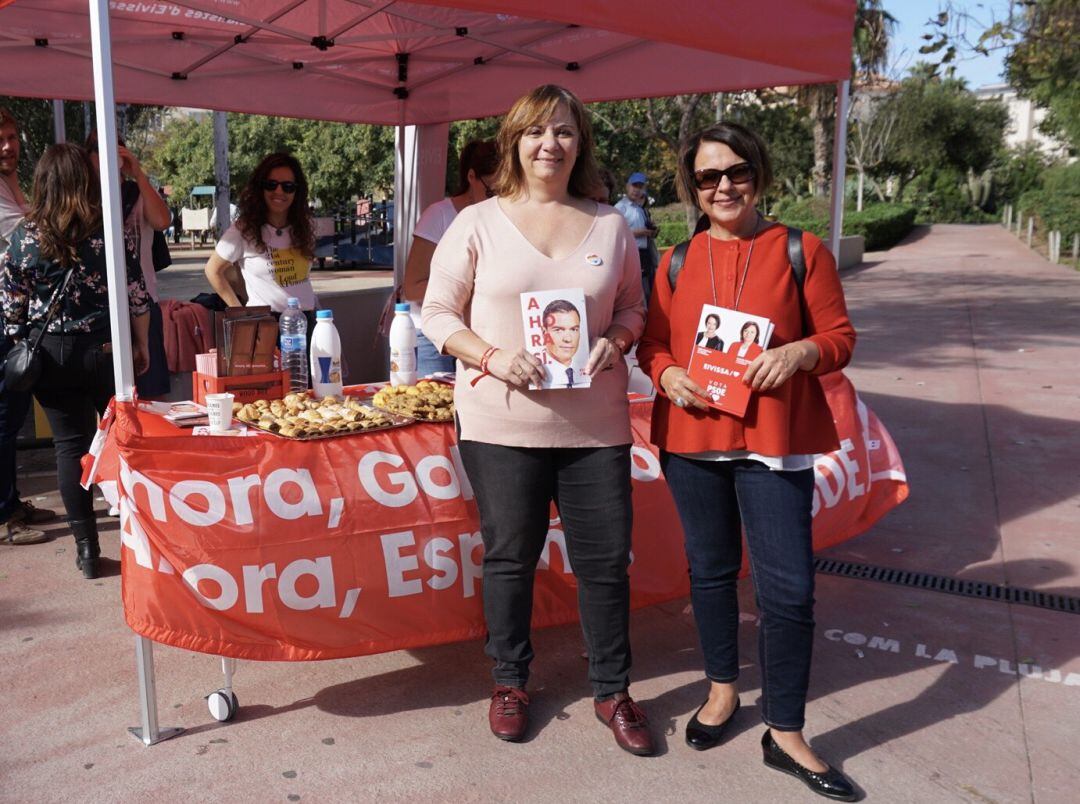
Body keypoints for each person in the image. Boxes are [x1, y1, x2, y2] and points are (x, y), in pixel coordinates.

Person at [422, 84, 650, 755]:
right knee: (510, 558)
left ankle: (613, 690)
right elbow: (437, 315)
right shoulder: (477, 223)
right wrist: (490, 357)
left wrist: (621, 339)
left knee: (606, 563)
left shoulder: (611, 225)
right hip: (501, 427)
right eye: (536, 132)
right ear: (514, 142)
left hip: (595, 428)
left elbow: (636, 309)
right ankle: (510, 682)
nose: (550, 145)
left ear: (581, 144)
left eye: (565, 133)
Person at [637, 122, 857, 800]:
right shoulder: (675, 259)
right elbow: (651, 345)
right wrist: (667, 375)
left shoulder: (800, 250)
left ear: (758, 175)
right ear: (692, 187)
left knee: (788, 589)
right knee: (709, 573)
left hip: (773, 445)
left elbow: (840, 337)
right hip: (694, 444)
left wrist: (800, 353)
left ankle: (785, 730)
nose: (724, 186)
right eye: (708, 177)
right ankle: (723, 692)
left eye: (736, 172)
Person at [1, 143, 151, 579]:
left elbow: (11, 310)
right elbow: (137, 296)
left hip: (51, 357)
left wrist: (24, 338)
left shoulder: (24, 239)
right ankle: (139, 537)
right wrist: (140, 345)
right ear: (84, 182)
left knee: (70, 448)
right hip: (105, 350)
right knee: (123, 442)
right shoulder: (105, 232)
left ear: (41, 184)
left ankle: (87, 550)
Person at [0, 106, 58, 545]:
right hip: (2, 314)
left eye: (13, 136)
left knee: (12, 412)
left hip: (13, 316)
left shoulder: (10, 182)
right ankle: (3, 516)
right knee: (3, 416)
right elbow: (28, 238)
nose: (8, 146)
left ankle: (10, 501)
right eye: (0, 139)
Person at [86, 131, 172, 398]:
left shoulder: (136, 191)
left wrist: (138, 174)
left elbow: (162, 221)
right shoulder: (83, 197)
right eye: (100, 149)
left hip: (144, 302)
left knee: (149, 394)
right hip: (100, 311)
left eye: (116, 149)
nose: (109, 156)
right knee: (109, 397)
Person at [402, 140, 497, 376]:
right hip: (430, 335)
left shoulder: (501, 217)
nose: (498, 200)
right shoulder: (439, 215)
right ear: (471, 177)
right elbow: (412, 288)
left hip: (478, 336)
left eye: (509, 192)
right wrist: (470, 292)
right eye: (492, 191)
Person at [204, 152, 317, 316]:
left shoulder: (303, 227)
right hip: (266, 325)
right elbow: (212, 270)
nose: (279, 191)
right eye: (271, 184)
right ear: (260, 188)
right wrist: (240, 312)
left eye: (288, 186)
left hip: (306, 321)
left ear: (297, 192)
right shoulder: (244, 229)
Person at [614, 171, 659, 307]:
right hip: (631, 254)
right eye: (634, 186)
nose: (636, 190)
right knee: (639, 294)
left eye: (640, 187)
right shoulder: (620, 208)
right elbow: (616, 233)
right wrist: (640, 233)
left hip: (646, 255)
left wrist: (652, 232)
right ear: (627, 186)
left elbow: (646, 231)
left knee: (649, 290)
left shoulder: (640, 208)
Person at [540, 299, 587, 388]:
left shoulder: (584, 369)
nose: (568, 339)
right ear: (544, 332)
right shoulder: (536, 370)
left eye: (574, 329)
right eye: (558, 330)